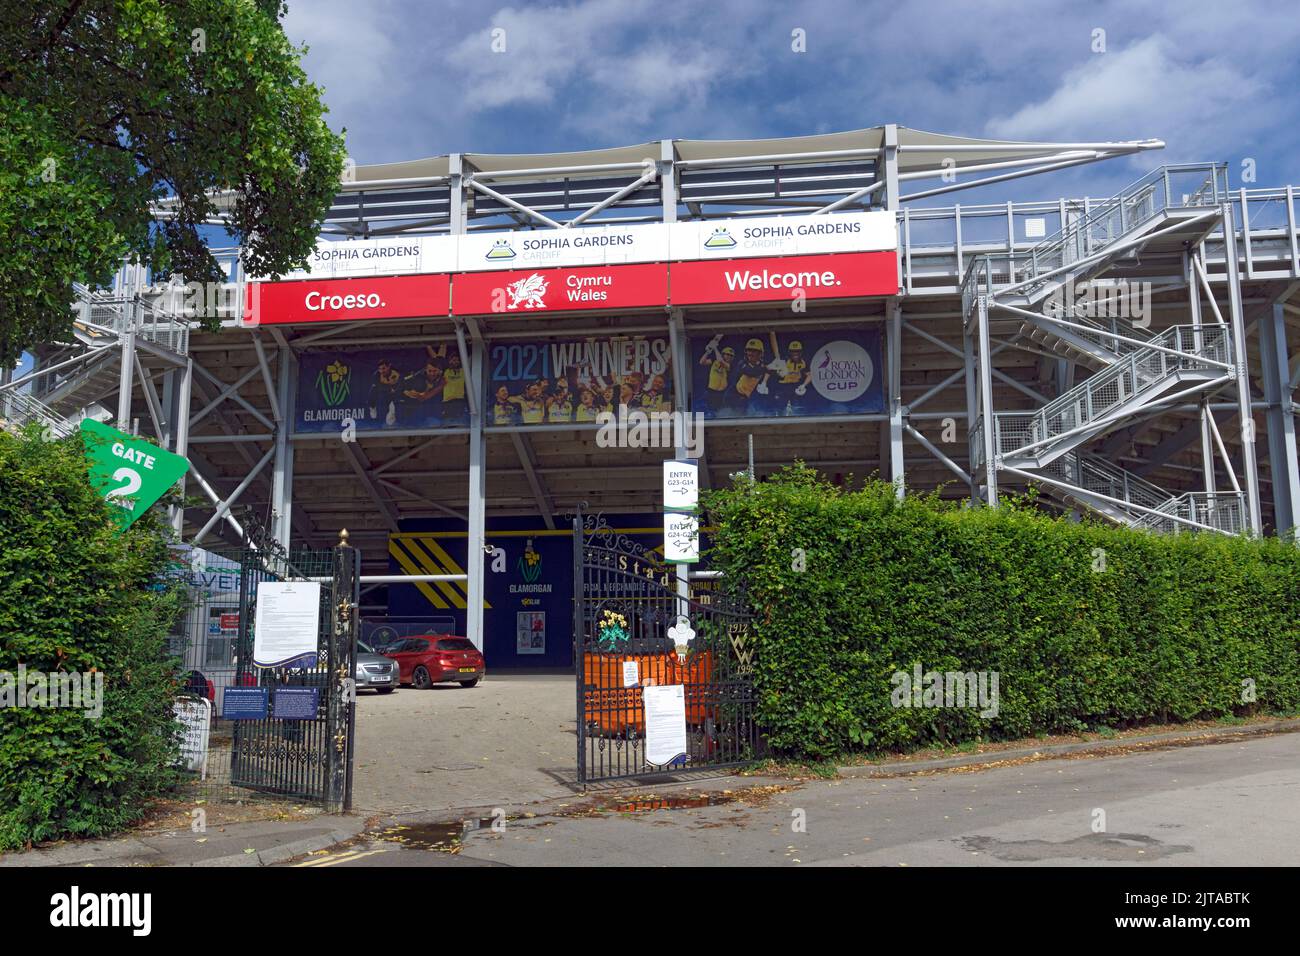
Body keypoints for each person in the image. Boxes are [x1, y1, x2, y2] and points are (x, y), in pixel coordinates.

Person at [367, 357, 403, 427]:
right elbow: (377, 386)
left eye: (383, 368)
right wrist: (389, 388)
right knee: (373, 389)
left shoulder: (397, 372)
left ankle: (392, 412)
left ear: (389, 366)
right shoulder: (376, 375)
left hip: (395, 392)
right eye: (380, 369)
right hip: (383, 391)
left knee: (389, 421)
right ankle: (372, 407)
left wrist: (396, 389)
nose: (382, 371)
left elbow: (402, 384)